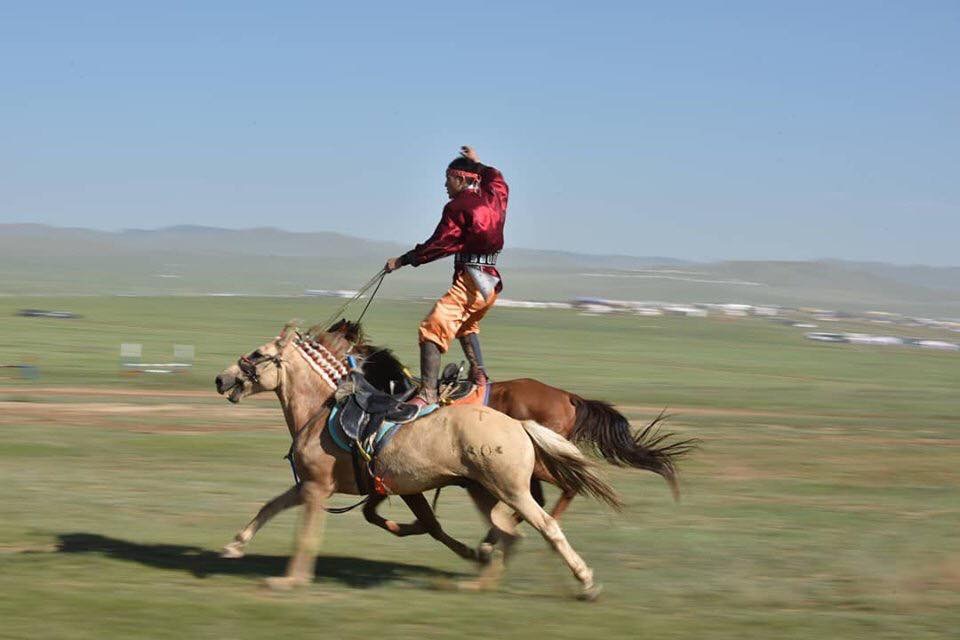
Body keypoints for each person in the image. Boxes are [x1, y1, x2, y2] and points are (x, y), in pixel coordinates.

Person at [384, 145, 508, 406]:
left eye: (448, 179)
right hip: (491, 281)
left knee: (432, 327)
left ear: (461, 179)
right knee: (465, 325)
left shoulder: (458, 207)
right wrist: (478, 163)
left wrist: (403, 260)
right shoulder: (494, 194)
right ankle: (479, 376)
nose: (445, 185)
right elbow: (496, 177)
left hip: (471, 281)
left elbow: (439, 244)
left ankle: (427, 392)